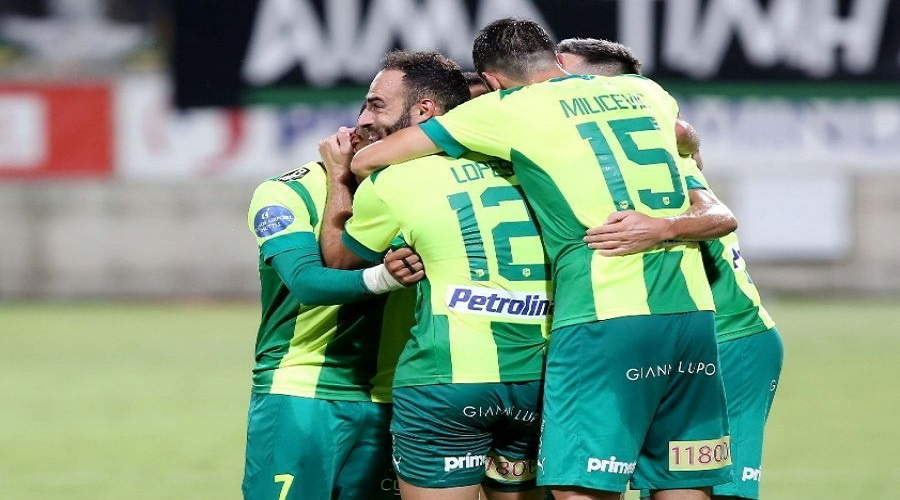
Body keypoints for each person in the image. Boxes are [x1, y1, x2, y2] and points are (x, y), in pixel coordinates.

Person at [350, 18, 734, 500]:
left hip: (602, 312)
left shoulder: (506, 109)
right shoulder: (645, 91)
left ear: (491, 81)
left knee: (580, 487)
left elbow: (369, 159)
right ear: (552, 57)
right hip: (693, 312)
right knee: (685, 478)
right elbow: (684, 136)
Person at [319, 49, 551, 500]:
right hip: (537, 380)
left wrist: (339, 178)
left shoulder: (394, 181)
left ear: (425, 110)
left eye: (376, 105)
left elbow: (339, 262)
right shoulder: (530, 168)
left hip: (445, 383)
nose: (364, 119)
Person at [561, 37, 785, 500]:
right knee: (662, 484)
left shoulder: (655, 147)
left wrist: (663, 226)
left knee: (716, 489)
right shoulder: (587, 152)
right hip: (661, 336)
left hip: (729, 335)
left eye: (567, 77)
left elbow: (714, 203)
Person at [242, 108, 420, 499]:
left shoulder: (430, 189)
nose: (365, 119)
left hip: (398, 398)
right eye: (368, 104)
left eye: (381, 106)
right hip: (304, 394)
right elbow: (306, 282)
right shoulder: (288, 191)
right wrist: (386, 277)